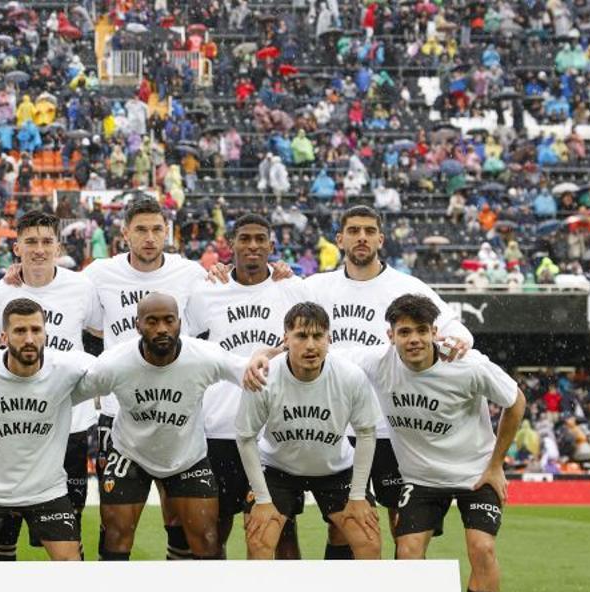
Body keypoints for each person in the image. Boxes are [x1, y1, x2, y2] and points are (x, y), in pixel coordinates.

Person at [252, 294, 523, 592]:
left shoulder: (468, 366)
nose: (413, 340)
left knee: (482, 547)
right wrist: (264, 354)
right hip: (422, 479)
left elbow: (516, 401)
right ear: (390, 335)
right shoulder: (376, 363)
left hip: (474, 475)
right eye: (404, 332)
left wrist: (496, 464)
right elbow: (312, 348)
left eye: (421, 331)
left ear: (435, 332)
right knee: (408, 552)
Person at [302, 205, 474, 559]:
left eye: (369, 230)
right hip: (337, 423)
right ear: (340, 239)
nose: (361, 237)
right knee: (343, 525)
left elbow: (453, 326)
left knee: (403, 524)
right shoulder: (315, 288)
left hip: (390, 424)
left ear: (381, 238)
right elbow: (272, 301)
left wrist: (460, 341)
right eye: (353, 231)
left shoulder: (407, 286)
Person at [78, 293, 250, 560]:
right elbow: (70, 394)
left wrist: (270, 360)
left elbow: (251, 373)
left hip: (186, 457)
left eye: (169, 320)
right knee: (115, 536)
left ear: (180, 323)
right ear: (137, 325)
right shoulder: (114, 363)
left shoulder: (203, 356)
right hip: (130, 453)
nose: (161, 329)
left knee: (207, 541)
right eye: (152, 321)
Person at [83, 195, 207, 561]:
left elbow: (199, 336)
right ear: (125, 233)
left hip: (176, 410)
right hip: (118, 412)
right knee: (115, 523)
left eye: (157, 229)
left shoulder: (191, 273)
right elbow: (89, 334)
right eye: (141, 230)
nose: (150, 237)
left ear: (167, 232)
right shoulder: (98, 274)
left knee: (179, 519)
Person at [0, 210, 102, 559]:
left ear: (57, 246)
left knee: (67, 528)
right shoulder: (2, 291)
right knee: (5, 530)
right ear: (16, 247)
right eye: (30, 241)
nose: (38, 249)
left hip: (71, 424)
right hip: (15, 424)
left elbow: (100, 333)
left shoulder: (81, 286)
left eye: (46, 241)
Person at [186, 213, 309, 558]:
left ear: (272, 245)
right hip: (220, 428)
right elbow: (187, 348)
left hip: (274, 431)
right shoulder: (208, 291)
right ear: (231, 243)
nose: (252, 245)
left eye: (260, 239)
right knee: (215, 533)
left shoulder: (293, 289)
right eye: (245, 238)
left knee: (280, 533)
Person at [0, 298, 94, 561]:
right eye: (19, 331)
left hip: (46, 489)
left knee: (72, 566)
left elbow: (114, 371)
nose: (29, 338)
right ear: (3, 337)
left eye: (36, 330)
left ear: (46, 334)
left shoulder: (67, 367)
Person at [234, 302, 381, 560]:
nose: (311, 345)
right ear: (286, 339)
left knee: (369, 541)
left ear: (329, 338)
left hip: (335, 469)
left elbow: (367, 433)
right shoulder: (265, 377)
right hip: (278, 469)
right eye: (302, 336)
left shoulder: (350, 376)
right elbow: (245, 438)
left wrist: (358, 496)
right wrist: (262, 498)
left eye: (318, 336)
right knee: (259, 539)